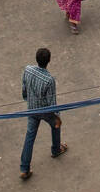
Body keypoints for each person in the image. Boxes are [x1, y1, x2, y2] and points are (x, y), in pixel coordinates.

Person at [19, 47, 67, 181]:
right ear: (49, 61)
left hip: (32, 109)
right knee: (56, 124)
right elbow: (52, 102)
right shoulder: (49, 80)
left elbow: (24, 88)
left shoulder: (28, 69)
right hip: (45, 111)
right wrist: (56, 117)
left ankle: (24, 168)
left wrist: (27, 99)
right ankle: (56, 149)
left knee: (30, 137)